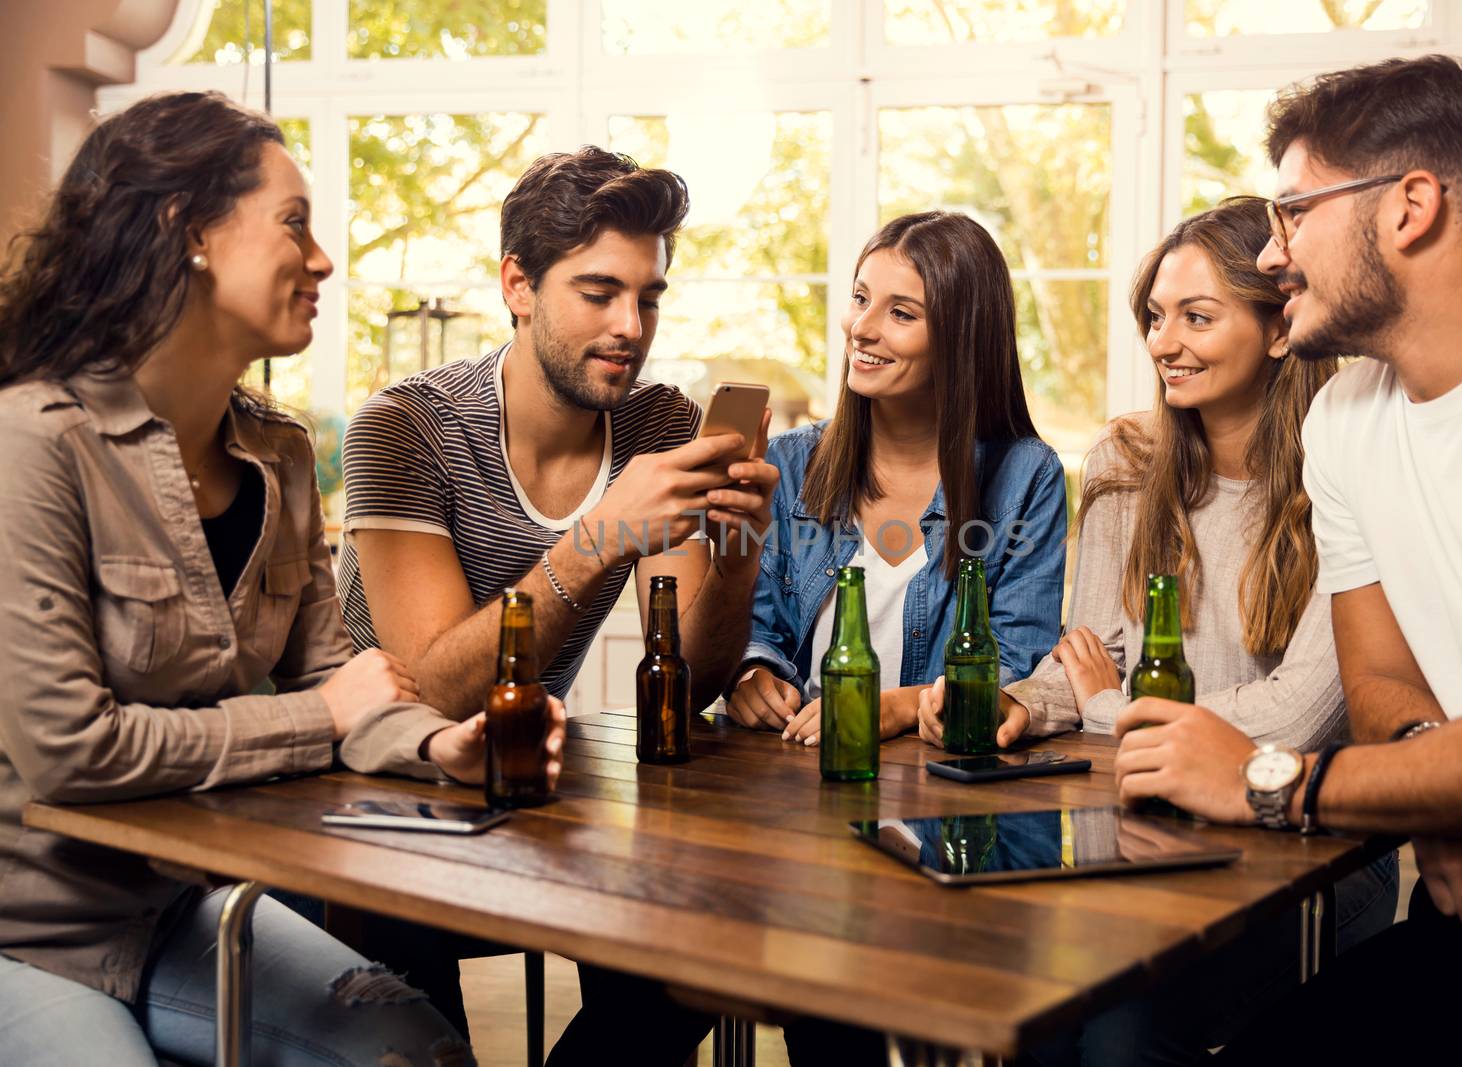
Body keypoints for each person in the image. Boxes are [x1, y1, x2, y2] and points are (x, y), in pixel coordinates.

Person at [0, 90, 564, 1067]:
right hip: (28, 936)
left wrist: (445, 744)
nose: (323, 259)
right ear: (190, 233)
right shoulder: (30, 443)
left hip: (187, 904)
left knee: (422, 1053)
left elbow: (332, 679)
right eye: (294, 222)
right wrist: (327, 717)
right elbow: (70, 752)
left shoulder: (282, 453)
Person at [1106, 57, 1462, 1067]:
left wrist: (1266, 778)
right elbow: (1379, 677)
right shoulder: (1344, 417)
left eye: (1293, 211)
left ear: (1410, 206)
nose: (1274, 250)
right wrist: (1449, 795)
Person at [919, 197, 1396, 1065]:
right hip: (1152, 827)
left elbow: (1300, 720)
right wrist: (1018, 701)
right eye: (1155, 316)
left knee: (1117, 1036)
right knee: (1032, 1008)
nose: (1163, 341)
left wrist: (1111, 707)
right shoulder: (1126, 463)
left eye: (1197, 316)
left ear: (1280, 330)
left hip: (1311, 854)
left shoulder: (1347, 475)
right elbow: (1088, 654)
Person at [335, 145, 780, 1064]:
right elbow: (431, 690)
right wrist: (598, 537)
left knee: (690, 945)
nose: (631, 325)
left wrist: (737, 555)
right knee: (417, 1026)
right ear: (518, 285)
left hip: (533, 787)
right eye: (599, 291)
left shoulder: (657, 424)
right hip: (375, 792)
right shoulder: (404, 427)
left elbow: (690, 680)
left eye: (649, 297)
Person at [729, 211, 1066, 745]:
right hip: (797, 771)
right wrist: (752, 675)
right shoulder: (790, 462)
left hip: (942, 786)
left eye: (902, 314)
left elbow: (1017, 663)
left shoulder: (1027, 475)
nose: (861, 329)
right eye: (860, 299)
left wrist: (899, 708)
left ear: (962, 339)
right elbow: (758, 623)